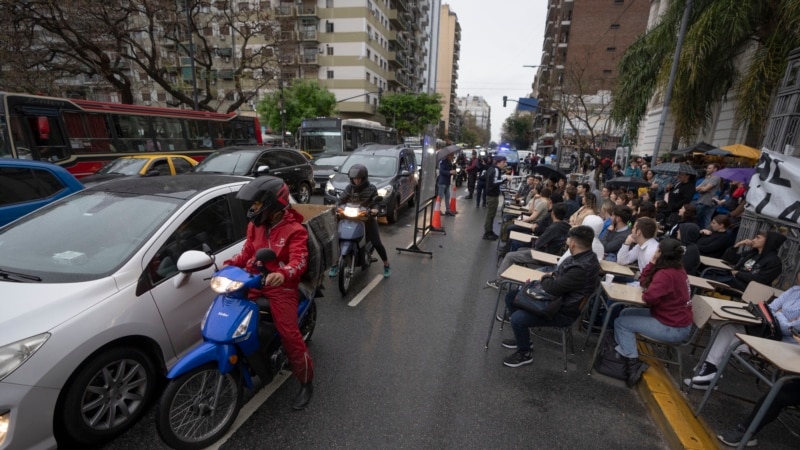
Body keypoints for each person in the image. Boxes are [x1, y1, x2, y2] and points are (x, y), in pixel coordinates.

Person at [224, 176, 314, 410]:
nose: (252, 208)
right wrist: (226, 266)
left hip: (280, 288)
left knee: (289, 335)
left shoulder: (295, 230)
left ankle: (306, 382)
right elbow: (246, 253)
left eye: (257, 204)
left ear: (272, 205)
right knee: (233, 319)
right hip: (253, 281)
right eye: (252, 204)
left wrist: (283, 274)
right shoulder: (255, 226)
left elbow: (299, 261)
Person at [500, 225, 601, 367]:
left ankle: (524, 353)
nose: (567, 242)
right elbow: (559, 276)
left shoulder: (581, 267)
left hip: (562, 311)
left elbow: (553, 288)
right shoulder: (585, 257)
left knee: (517, 318)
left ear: (572, 243)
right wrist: (551, 277)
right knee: (512, 296)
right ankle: (523, 339)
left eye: (568, 239)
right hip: (558, 301)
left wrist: (545, 278)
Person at [687, 271, 800, 392]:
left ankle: (708, 373)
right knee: (726, 328)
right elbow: (770, 308)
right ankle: (709, 372)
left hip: (783, 346)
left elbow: (790, 329)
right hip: (767, 333)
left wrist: (778, 314)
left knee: (728, 340)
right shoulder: (794, 290)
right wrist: (780, 315)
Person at [613, 238, 693, 386]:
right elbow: (645, 283)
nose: (654, 252)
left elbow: (649, 298)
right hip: (672, 319)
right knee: (626, 313)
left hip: (673, 327)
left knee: (621, 323)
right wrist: (651, 264)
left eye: (657, 250)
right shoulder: (676, 269)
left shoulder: (666, 274)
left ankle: (632, 364)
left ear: (661, 253)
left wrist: (651, 268)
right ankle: (625, 353)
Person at [328, 164, 391, 278]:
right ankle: (334, 264)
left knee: (376, 242)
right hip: (349, 218)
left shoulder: (371, 188)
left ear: (364, 178)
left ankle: (386, 264)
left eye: (359, 178)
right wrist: (336, 207)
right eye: (354, 179)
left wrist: (375, 210)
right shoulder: (349, 188)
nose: (356, 181)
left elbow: (376, 202)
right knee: (335, 239)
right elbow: (341, 200)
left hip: (366, 219)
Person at [706, 231, 787, 291]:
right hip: (734, 279)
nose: (753, 240)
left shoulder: (774, 261)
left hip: (747, 287)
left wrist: (737, 273)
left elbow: (760, 279)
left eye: (758, 238)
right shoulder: (752, 253)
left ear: (769, 242)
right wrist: (738, 245)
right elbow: (728, 259)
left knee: (709, 277)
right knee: (708, 272)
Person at [483, 155, 508, 240]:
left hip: (490, 194)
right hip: (492, 195)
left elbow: (485, 177)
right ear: (498, 162)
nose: (504, 164)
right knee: (490, 215)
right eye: (503, 162)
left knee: (491, 214)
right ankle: (487, 233)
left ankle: (490, 231)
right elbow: (494, 182)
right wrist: (504, 179)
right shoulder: (496, 170)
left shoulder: (491, 168)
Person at [695, 163, 722, 229]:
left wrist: (703, 188)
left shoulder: (716, 177)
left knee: (703, 220)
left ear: (715, 169)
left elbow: (704, 189)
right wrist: (703, 188)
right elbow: (696, 188)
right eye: (707, 168)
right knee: (702, 220)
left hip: (706, 202)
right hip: (702, 201)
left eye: (710, 168)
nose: (707, 169)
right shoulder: (708, 177)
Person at [438, 152, 458, 216]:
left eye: (453, 155)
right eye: (451, 155)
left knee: (447, 196)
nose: (452, 157)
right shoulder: (443, 162)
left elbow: (450, 171)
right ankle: (438, 209)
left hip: (447, 182)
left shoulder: (450, 162)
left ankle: (448, 210)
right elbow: (442, 171)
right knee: (440, 197)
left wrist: (453, 171)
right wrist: (449, 172)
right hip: (442, 182)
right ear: (448, 156)